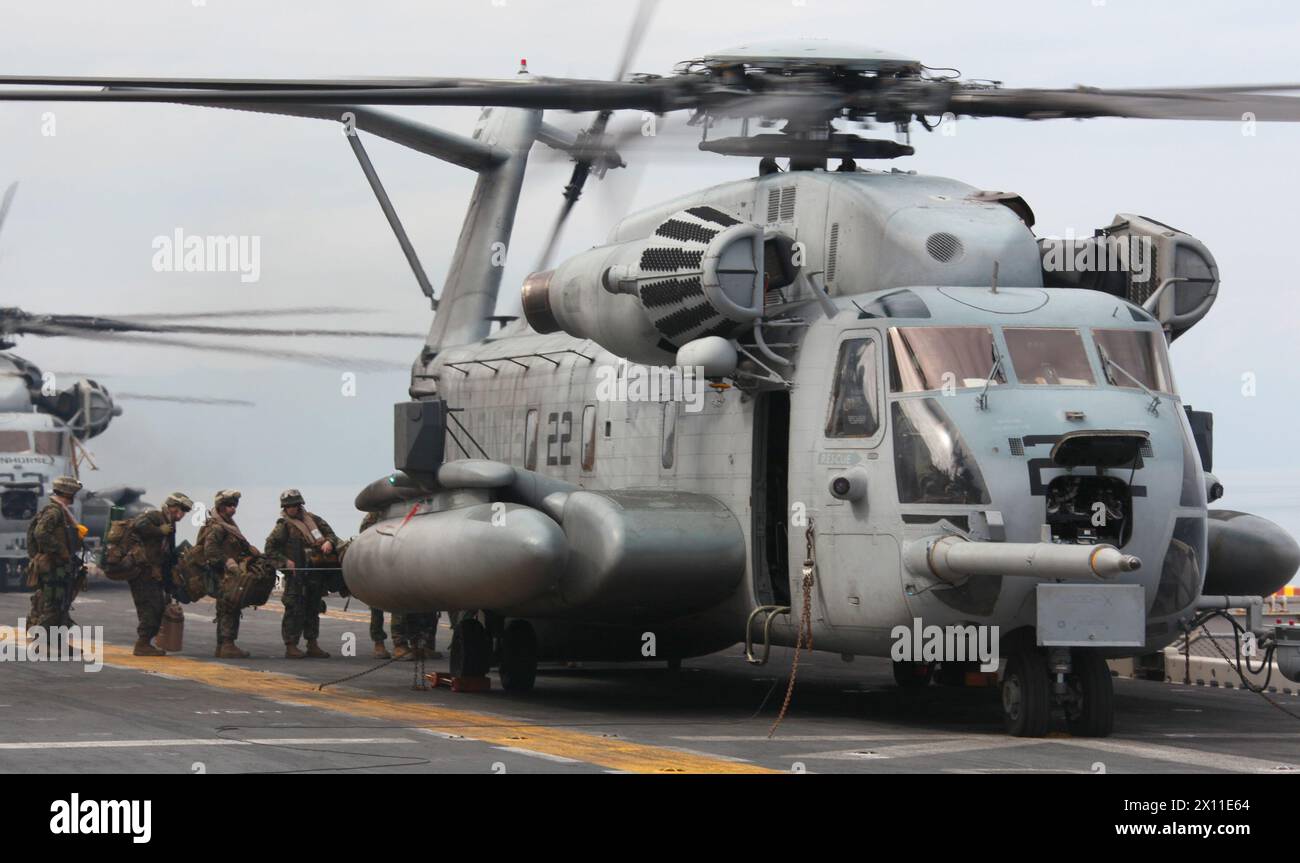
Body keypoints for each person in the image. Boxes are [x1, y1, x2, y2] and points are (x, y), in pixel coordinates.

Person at [266, 489, 340, 659]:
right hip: (297, 575)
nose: (292, 509)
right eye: (288, 506)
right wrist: (285, 562)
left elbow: (331, 535)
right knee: (294, 609)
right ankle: (291, 646)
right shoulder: (283, 526)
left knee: (313, 608)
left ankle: (312, 644)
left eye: (295, 505)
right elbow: (270, 549)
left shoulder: (314, 520)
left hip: (315, 573)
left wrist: (328, 542)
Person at [123, 492, 194, 656]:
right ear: (171, 506)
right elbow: (138, 525)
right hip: (143, 572)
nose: (182, 514)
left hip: (155, 573)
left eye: (184, 511)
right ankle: (142, 643)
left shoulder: (170, 524)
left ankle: (145, 642)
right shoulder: (155, 516)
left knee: (158, 606)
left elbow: (166, 552)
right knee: (150, 607)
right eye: (180, 509)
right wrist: (158, 530)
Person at [197, 489, 258, 659]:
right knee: (229, 608)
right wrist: (228, 562)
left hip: (229, 575)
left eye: (235, 505)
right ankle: (227, 644)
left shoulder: (228, 526)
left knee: (227, 608)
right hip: (223, 576)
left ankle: (223, 646)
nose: (233, 509)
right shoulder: (217, 527)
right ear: (221, 507)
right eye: (230, 505)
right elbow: (210, 551)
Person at [26, 475, 85, 628]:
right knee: (54, 605)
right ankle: (45, 643)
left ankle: (58, 642)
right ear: (68, 493)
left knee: (60, 605)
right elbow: (41, 533)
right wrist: (61, 550)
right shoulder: (54, 511)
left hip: (57, 566)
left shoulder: (59, 511)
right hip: (54, 567)